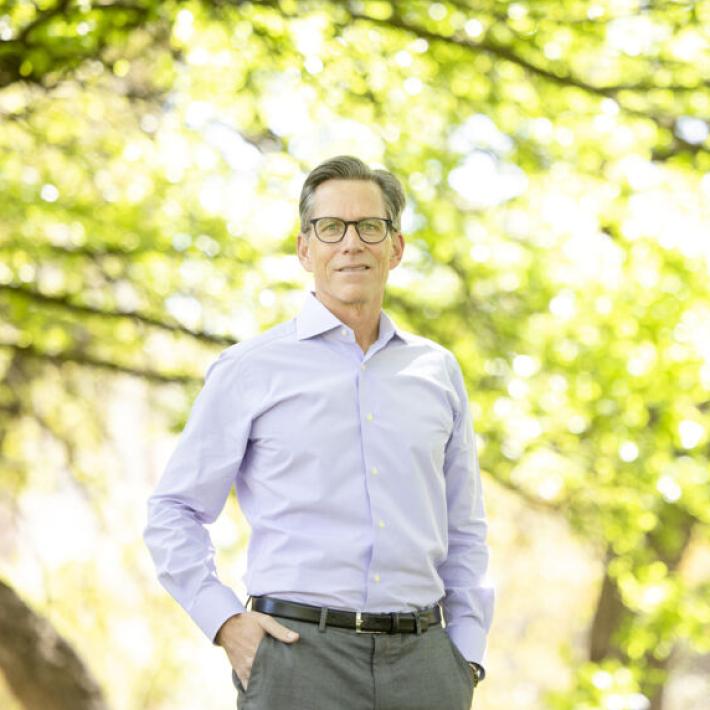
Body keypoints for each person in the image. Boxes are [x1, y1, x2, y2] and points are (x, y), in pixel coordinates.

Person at [144, 155, 494, 709]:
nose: (350, 243)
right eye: (331, 228)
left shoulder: (437, 372)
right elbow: (173, 511)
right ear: (305, 249)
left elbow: (465, 528)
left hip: (426, 664)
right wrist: (226, 622)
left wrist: (465, 652)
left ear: (395, 248)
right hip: (298, 661)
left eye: (369, 227)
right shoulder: (250, 369)